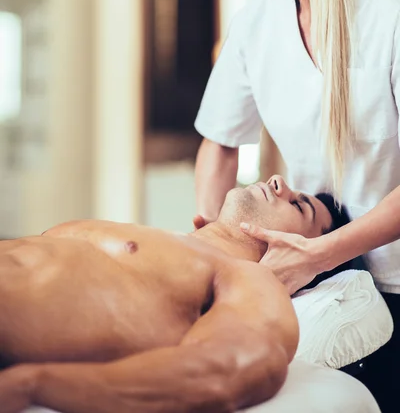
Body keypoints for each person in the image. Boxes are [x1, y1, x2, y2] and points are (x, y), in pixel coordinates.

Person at [193, 0, 400, 412]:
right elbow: (218, 142)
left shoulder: (387, 14)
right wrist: (224, 250)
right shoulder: (257, 24)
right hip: (311, 280)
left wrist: (324, 254)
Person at [0, 177, 341, 413]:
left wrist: (34, 384)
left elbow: (228, 371)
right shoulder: (161, 238)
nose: (278, 182)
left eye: (299, 206)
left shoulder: (247, 278)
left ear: (305, 255)